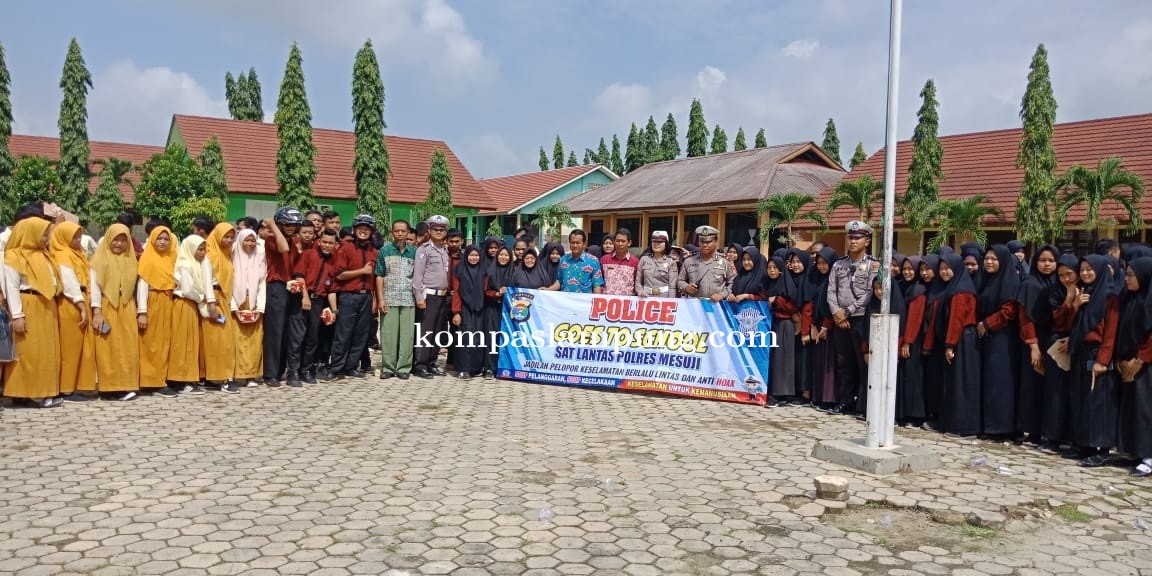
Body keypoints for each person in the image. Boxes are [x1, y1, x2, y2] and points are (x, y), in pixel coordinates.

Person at [2, 217, 63, 407]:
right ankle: (23, 393)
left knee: (45, 351)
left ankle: (42, 391)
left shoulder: (44, 255)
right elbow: (11, 287)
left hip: (46, 305)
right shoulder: (14, 256)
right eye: (43, 234)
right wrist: (18, 315)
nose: (46, 238)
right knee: (27, 351)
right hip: (28, 303)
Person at [1070, 255, 1120, 467]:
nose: (1085, 273)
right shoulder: (1084, 294)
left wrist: (1102, 360)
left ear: (1100, 271)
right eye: (1082, 269)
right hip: (1082, 352)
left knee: (1100, 403)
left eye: (1090, 269)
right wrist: (1075, 305)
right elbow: (1075, 325)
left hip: (1099, 354)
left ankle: (1103, 449)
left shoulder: (1111, 297)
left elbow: (1111, 332)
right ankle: (1087, 445)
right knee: (1084, 401)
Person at [826, 220, 878, 414]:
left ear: (867, 240)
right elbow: (831, 290)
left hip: (860, 319)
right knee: (843, 362)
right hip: (839, 319)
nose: (853, 241)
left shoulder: (873, 265)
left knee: (862, 362)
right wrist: (836, 312)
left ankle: (863, 403)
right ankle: (845, 400)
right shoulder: (839, 264)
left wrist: (847, 311)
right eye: (851, 237)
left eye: (858, 238)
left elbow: (870, 293)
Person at [90, 223, 141, 401]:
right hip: (107, 305)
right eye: (115, 239)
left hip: (127, 305)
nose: (119, 244)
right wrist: (97, 312)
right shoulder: (99, 259)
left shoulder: (131, 260)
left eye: (123, 240)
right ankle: (109, 388)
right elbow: (95, 287)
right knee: (108, 347)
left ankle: (126, 384)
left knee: (128, 346)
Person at [325, 214, 379, 382]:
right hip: (349, 296)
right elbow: (339, 275)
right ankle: (336, 368)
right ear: (355, 230)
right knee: (343, 333)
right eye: (360, 229)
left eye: (367, 229)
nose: (363, 232)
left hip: (366, 297)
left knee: (360, 334)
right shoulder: (346, 248)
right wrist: (361, 271)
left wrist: (375, 300)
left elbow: (376, 276)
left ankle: (351, 366)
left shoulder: (373, 251)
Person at [976, 245, 1022, 438]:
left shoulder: (1010, 283)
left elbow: (1010, 311)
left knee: (1001, 383)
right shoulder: (985, 280)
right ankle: (989, 425)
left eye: (994, 259)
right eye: (987, 258)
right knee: (988, 382)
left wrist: (987, 323)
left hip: (1004, 341)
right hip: (988, 339)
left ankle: (1002, 428)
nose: (989, 262)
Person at [1016, 245, 1059, 444]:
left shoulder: (1059, 283)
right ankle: (1033, 431)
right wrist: (1033, 346)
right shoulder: (1029, 284)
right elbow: (1026, 318)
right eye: (1043, 260)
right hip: (1034, 340)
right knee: (1033, 387)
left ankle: (1050, 432)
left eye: (1051, 260)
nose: (1047, 264)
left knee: (1052, 389)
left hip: (1055, 340)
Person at [51, 221, 97, 401]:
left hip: (81, 299)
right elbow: (69, 284)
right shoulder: (63, 255)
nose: (78, 240)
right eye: (74, 237)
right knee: (70, 348)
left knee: (80, 346)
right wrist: (81, 306)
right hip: (71, 303)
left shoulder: (77, 254)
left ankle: (77, 385)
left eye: (79, 236)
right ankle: (66, 387)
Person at [287, 228, 339, 384]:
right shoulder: (309, 254)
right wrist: (304, 297)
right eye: (324, 242)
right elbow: (299, 276)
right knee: (297, 338)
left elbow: (332, 290)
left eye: (330, 243)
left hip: (318, 302)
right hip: (302, 299)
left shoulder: (332, 261)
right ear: (319, 241)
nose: (327, 245)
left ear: (335, 244)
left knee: (312, 339)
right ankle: (292, 372)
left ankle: (306, 370)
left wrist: (334, 310)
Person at [1116, 257, 1152, 477]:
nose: (1126, 279)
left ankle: (1149, 456)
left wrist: (1140, 359)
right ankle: (1136, 451)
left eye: (1130, 275)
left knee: (1146, 410)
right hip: (1130, 361)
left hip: (1145, 364)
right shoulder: (1132, 298)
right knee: (1134, 409)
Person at [136, 225, 179, 397]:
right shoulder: (148, 259)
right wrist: (142, 311)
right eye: (159, 238)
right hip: (152, 300)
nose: (162, 242)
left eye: (166, 239)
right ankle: (151, 382)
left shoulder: (170, 258)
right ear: (152, 239)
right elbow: (142, 285)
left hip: (168, 301)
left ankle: (161, 379)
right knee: (151, 343)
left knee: (165, 342)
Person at [260, 207, 301, 386]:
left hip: (290, 286)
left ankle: (282, 370)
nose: (290, 227)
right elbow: (282, 248)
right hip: (275, 286)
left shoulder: (295, 241)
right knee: (275, 331)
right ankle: (270, 374)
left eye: (293, 224)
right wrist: (273, 225)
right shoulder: (272, 239)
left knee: (287, 331)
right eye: (287, 224)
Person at [375, 220, 417, 380]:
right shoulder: (384, 251)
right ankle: (388, 367)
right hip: (389, 298)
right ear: (392, 232)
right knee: (388, 334)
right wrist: (380, 299)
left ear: (407, 233)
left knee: (407, 335)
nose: (400, 233)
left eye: (403, 231)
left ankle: (404, 368)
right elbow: (379, 275)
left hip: (408, 299)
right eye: (397, 231)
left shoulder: (414, 252)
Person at [412, 215, 451, 379]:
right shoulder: (424, 250)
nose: (439, 232)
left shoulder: (444, 250)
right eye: (435, 229)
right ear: (429, 231)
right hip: (428, 296)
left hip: (442, 296)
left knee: (436, 332)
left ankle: (431, 362)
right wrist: (419, 297)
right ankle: (420, 365)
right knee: (425, 332)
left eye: (442, 230)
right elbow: (417, 276)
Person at [171, 235, 210, 395]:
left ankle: (188, 378)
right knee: (184, 343)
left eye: (204, 249)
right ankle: (182, 380)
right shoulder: (185, 264)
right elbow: (187, 290)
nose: (202, 253)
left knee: (190, 343)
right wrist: (201, 297)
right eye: (199, 249)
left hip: (190, 305)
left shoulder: (194, 264)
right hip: (185, 304)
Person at [203, 223, 239, 393]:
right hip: (213, 301)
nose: (229, 240)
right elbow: (206, 282)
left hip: (223, 299)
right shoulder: (210, 255)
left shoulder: (227, 255)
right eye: (226, 236)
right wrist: (211, 304)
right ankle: (223, 378)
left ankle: (217, 377)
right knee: (219, 342)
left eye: (232, 237)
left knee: (222, 341)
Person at [232, 228, 267, 387]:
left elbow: (262, 283)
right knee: (237, 341)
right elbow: (227, 283)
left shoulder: (259, 256)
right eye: (246, 240)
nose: (250, 243)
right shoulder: (232, 255)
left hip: (253, 304)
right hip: (237, 304)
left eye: (253, 240)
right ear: (240, 240)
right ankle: (237, 374)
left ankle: (253, 375)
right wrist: (234, 307)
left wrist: (259, 308)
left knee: (254, 341)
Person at [451, 246, 487, 380]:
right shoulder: (460, 269)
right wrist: (456, 312)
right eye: (471, 255)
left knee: (478, 338)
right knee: (465, 339)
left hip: (480, 309)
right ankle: (463, 369)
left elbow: (486, 289)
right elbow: (456, 292)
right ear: (466, 256)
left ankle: (475, 368)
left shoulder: (484, 270)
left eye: (476, 255)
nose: (474, 258)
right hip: (464, 309)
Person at [809, 247, 838, 409]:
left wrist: (826, 326)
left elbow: (832, 304)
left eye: (825, 263)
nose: (821, 266)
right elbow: (813, 303)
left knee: (830, 364)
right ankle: (819, 396)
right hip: (817, 324)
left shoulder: (834, 280)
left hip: (831, 326)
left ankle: (830, 398)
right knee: (819, 362)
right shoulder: (815, 280)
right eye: (819, 263)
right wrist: (813, 325)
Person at [677, 226, 734, 302]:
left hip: (717, 305)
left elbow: (732, 283)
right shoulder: (689, 261)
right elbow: (680, 281)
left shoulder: (725, 262)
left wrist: (722, 295)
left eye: (708, 242)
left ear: (716, 242)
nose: (704, 245)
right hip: (695, 305)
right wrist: (686, 287)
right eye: (702, 241)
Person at [557, 230, 604, 294]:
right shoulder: (563, 260)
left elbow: (597, 285)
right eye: (572, 243)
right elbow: (559, 282)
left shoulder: (593, 261)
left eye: (578, 243)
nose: (575, 245)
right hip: (565, 301)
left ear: (584, 244)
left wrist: (596, 301)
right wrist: (546, 290)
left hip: (584, 302)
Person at [636, 231, 678, 298]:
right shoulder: (644, 259)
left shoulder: (671, 262)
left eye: (660, 242)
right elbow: (638, 281)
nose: (656, 244)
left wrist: (671, 301)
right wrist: (640, 291)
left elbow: (672, 287)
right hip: (645, 297)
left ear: (666, 244)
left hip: (664, 298)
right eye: (654, 242)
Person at [601, 228, 638, 296]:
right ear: (614, 242)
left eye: (623, 241)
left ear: (629, 243)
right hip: (607, 303)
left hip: (627, 303)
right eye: (617, 241)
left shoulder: (635, 261)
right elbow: (599, 282)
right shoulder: (604, 260)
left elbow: (637, 283)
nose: (620, 244)